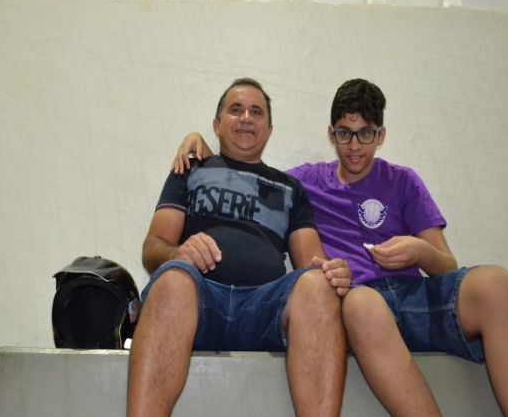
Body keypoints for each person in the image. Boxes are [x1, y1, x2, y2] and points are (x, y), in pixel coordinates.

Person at [172, 78, 508, 417]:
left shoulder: (403, 181)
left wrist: (420, 252)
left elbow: (446, 266)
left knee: (497, 284)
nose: (354, 146)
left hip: (414, 297)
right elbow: (250, 173)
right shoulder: (302, 183)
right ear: (331, 134)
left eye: (365, 134)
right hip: (359, 304)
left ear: (381, 135)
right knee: (361, 304)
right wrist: (199, 143)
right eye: (344, 134)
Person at [127, 78, 351, 417]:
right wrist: (177, 254)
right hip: (199, 300)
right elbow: (153, 248)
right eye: (235, 110)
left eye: (256, 112)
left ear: (269, 129)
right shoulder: (190, 170)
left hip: (264, 310)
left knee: (319, 286)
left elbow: (312, 263)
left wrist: (333, 272)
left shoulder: (290, 188)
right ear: (217, 124)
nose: (246, 117)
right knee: (172, 279)